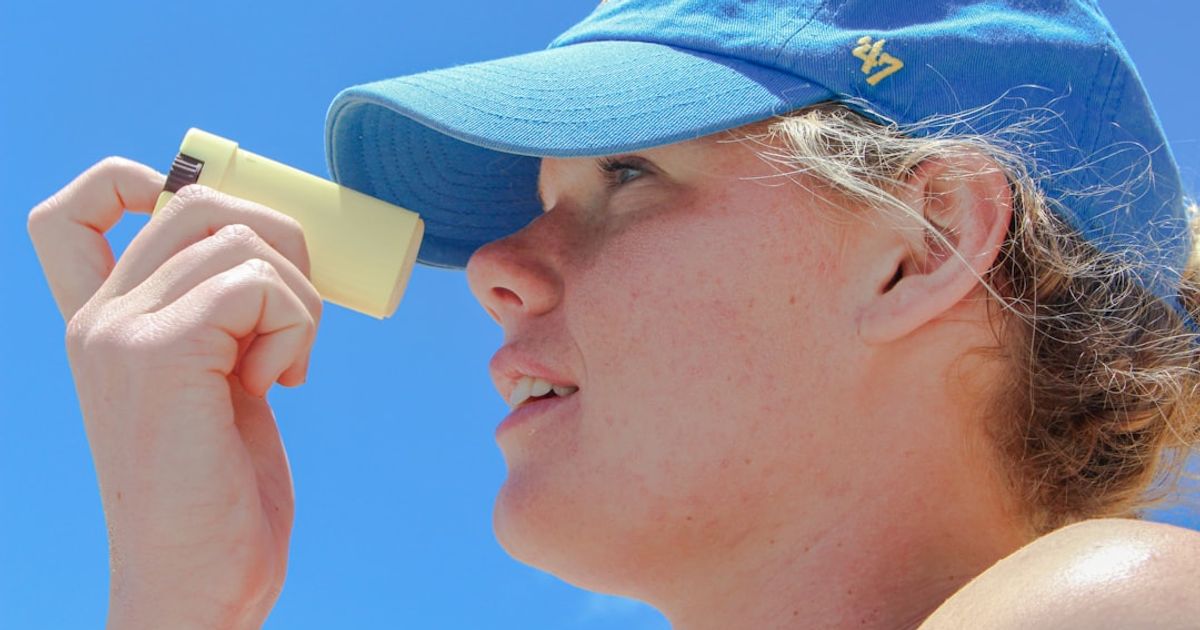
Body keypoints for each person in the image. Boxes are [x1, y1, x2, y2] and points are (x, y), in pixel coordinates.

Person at [26, 0, 1200, 628]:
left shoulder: (1112, 607)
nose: (495, 269)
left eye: (627, 176)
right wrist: (185, 599)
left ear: (925, 245)